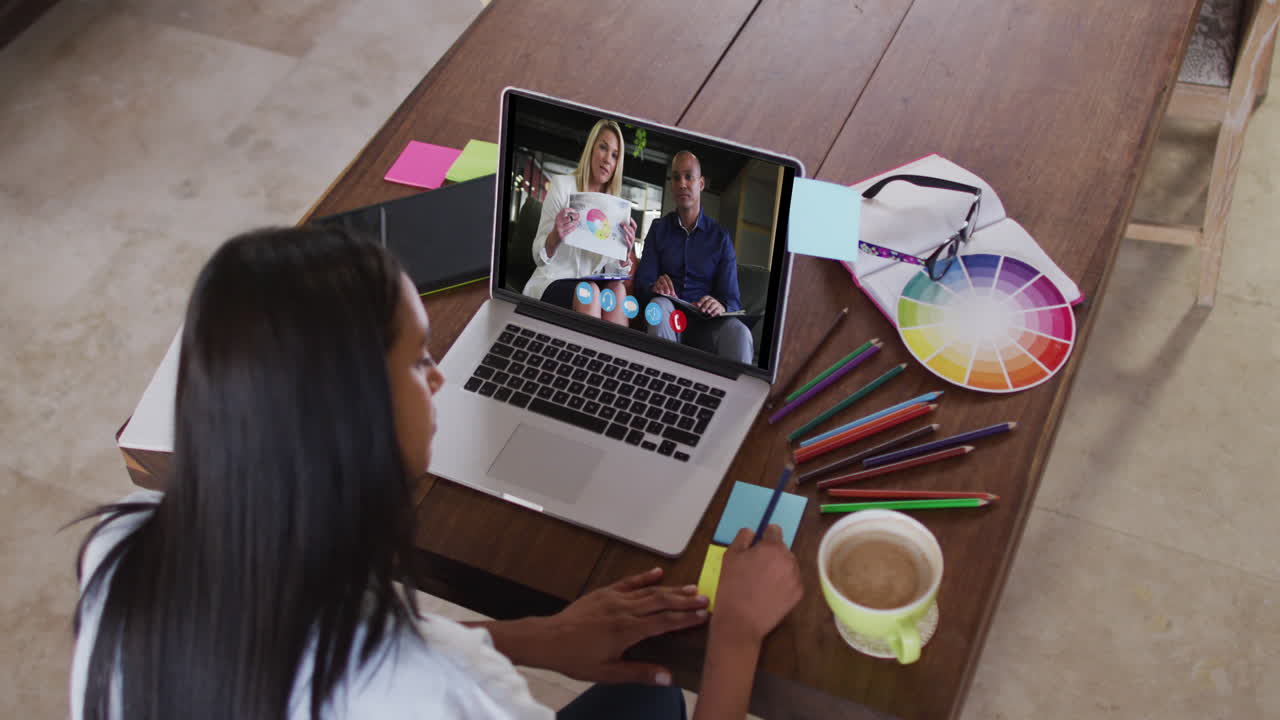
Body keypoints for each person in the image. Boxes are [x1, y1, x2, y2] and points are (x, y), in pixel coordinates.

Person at [71, 226, 802, 720]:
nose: (441, 379)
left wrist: (535, 638)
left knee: (646, 699)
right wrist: (735, 633)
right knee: (662, 697)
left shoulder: (123, 553)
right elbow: (410, 675)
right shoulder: (442, 696)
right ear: (358, 422)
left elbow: (325, 644)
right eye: (420, 360)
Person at [634, 151, 753, 364]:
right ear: (671, 185)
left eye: (689, 177)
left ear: (701, 183)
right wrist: (654, 287)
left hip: (707, 325)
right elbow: (642, 284)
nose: (682, 183)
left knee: (740, 333)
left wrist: (721, 306)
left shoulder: (721, 238)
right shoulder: (658, 229)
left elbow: (732, 299)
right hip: (669, 317)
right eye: (676, 177)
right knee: (658, 307)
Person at [522, 119, 638, 326]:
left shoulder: (615, 207)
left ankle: (614, 357)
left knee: (618, 290)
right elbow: (537, 257)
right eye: (603, 147)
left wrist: (624, 254)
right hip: (553, 280)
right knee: (589, 291)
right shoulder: (562, 187)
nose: (607, 160)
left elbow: (614, 272)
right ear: (591, 148)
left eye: (615, 155)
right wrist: (555, 236)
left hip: (590, 286)